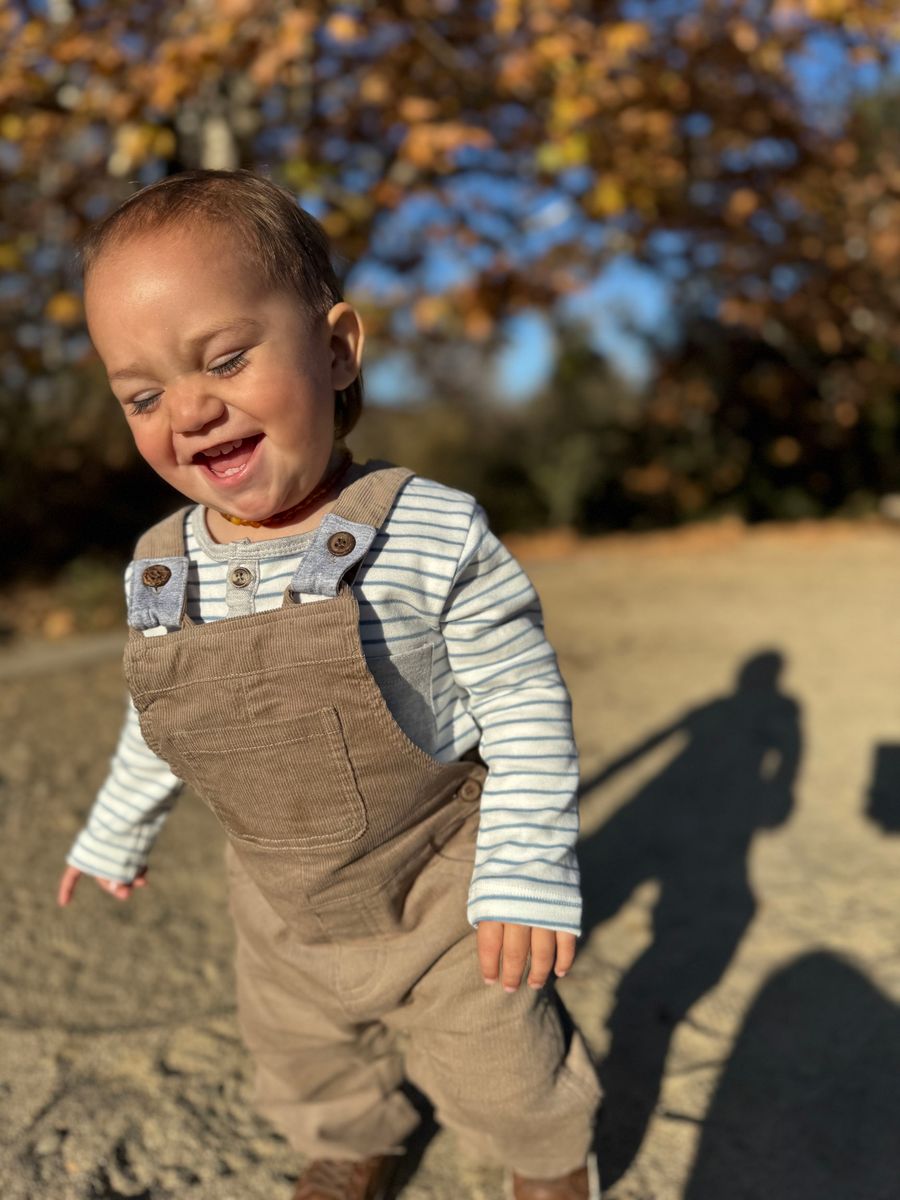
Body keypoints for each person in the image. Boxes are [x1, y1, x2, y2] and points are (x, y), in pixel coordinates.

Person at [56, 169, 600, 1200]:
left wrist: (525, 872)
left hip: (438, 880)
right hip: (277, 895)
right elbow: (159, 712)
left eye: (225, 359)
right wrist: (117, 826)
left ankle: (546, 1161)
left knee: (503, 1056)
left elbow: (526, 707)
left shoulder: (427, 529)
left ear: (337, 347)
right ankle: (353, 1138)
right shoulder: (161, 564)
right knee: (303, 1046)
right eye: (143, 394)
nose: (193, 408)